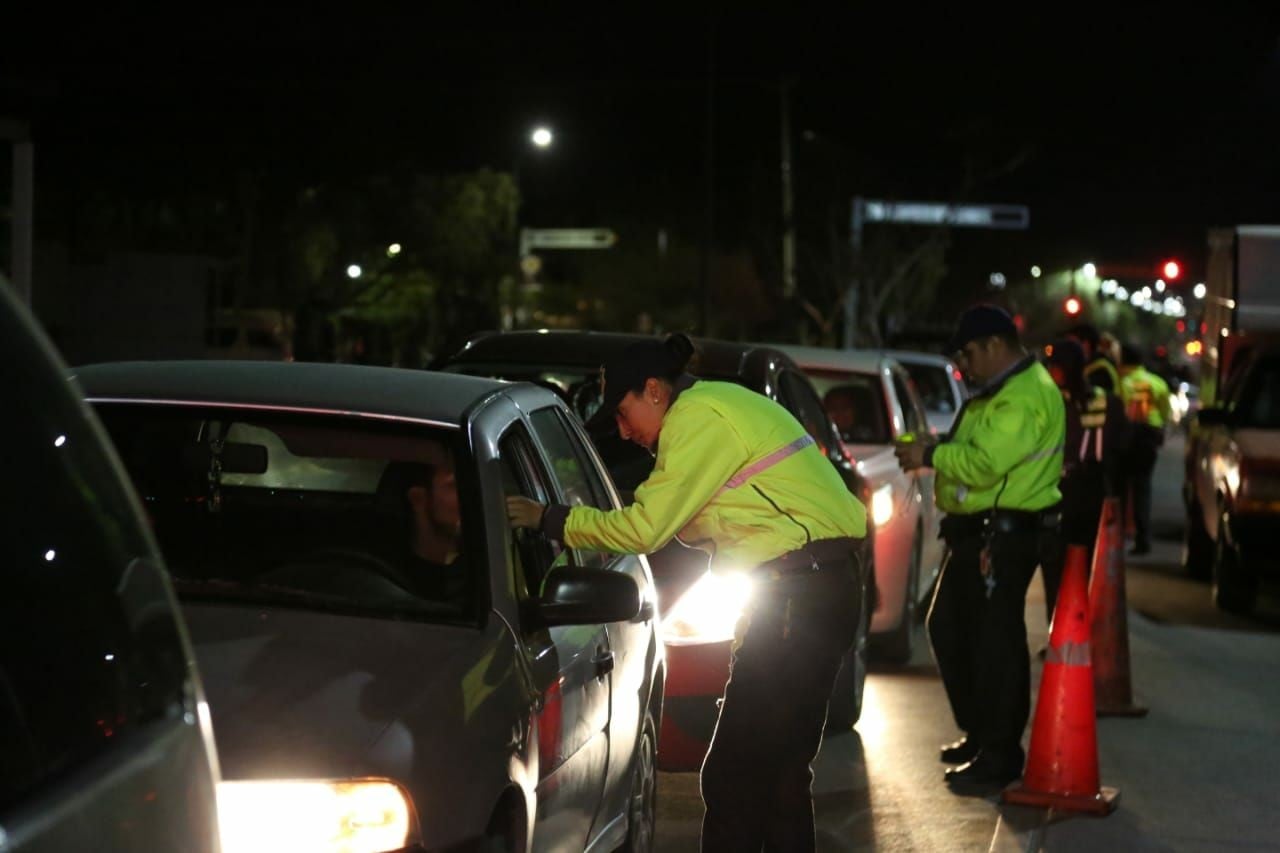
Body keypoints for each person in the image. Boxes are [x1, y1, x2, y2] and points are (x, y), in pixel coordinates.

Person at [506, 333, 867, 852]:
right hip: (817, 589)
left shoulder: (696, 419)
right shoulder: (717, 407)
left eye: (624, 413)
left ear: (654, 390)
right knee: (782, 773)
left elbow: (647, 530)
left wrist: (552, 518)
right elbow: (691, 522)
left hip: (797, 596)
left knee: (733, 775)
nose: (624, 432)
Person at [893, 305, 1064, 792]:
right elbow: (973, 449)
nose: (965, 364)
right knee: (948, 627)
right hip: (979, 533)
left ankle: (1001, 754)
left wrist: (928, 454)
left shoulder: (1023, 396)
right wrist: (937, 447)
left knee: (996, 645)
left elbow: (987, 463)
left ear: (994, 345)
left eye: (969, 353)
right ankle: (983, 734)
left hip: (1004, 535)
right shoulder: (999, 392)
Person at [1041, 339, 1127, 623]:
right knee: (1084, 562)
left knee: (1057, 564)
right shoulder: (1107, 402)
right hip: (1092, 489)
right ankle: (1075, 628)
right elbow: (1120, 447)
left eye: (1055, 367)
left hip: (1063, 491)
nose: (1051, 372)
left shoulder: (1051, 402)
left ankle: (1066, 629)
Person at [378, 459, 466, 601]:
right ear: (418, 498)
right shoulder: (384, 579)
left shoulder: (478, 575)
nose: (472, 498)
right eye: (454, 486)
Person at [1118, 344, 1172, 556]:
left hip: (1128, 434)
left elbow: (1118, 409)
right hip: (1150, 435)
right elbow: (1165, 410)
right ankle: (1143, 539)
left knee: (1121, 488)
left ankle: (1117, 536)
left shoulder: (1123, 383)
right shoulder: (1157, 383)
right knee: (1143, 488)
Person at [1067, 322, 1121, 395]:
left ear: (1086, 344)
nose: (1067, 348)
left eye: (1071, 343)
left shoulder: (1102, 369)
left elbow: (1101, 397)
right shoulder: (1081, 366)